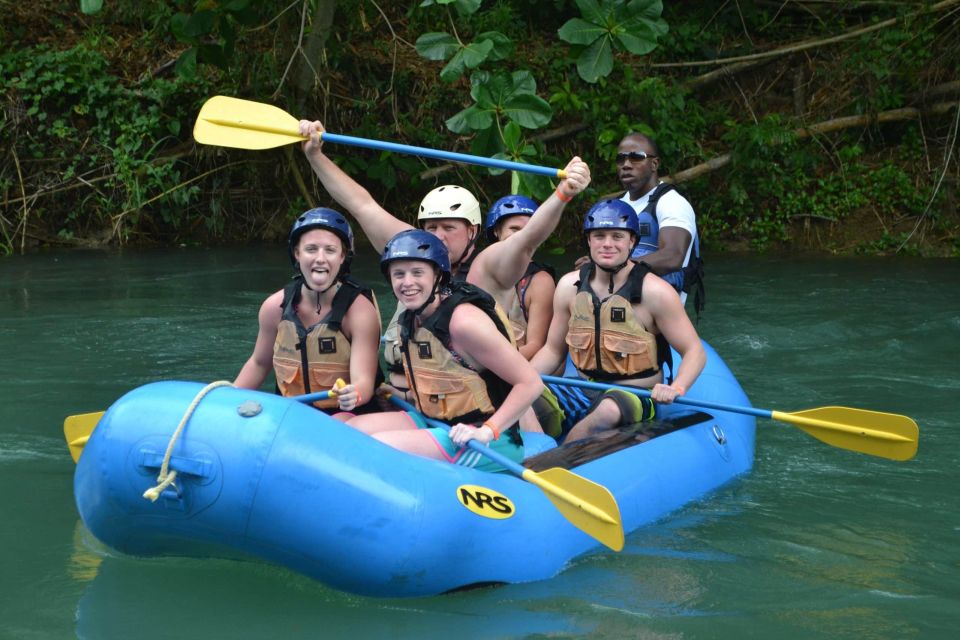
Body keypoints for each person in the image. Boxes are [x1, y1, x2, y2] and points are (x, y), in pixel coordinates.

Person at [297, 119, 589, 429]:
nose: (439, 237)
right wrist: (315, 155)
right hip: (409, 402)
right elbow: (362, 204)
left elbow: (526, 240)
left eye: (449, 228)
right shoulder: (411, 252)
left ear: (472, 231)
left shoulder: (486, 269)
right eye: (432, 228)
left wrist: (563, 193)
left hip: (480, 412)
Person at [345, 230, 544, 471]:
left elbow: (531, 383)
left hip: (486, 438)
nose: (407, 283)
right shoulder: (409, 318)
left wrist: (487, 431)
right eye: (398, 274)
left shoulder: (464, 323)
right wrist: (402, 396)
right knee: (349, 431)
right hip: (435, 422)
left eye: (417, 273)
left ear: (438, 275)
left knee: (379, 447)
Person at [531, 199, 706, 442]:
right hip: (584, 387)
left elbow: (694, 350)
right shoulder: (568, 287)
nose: (607, 244)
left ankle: (559, 463)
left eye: (617, 236)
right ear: (589, 241)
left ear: (632, 241)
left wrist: (676, 387)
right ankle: (536, 453)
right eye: (599, 236)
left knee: (607, 411)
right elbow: (552, 351)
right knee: (526, 399)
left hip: (633, 393)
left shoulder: (655, 292)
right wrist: (523, 380)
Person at [233, 208, 382, 418]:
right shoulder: (274, 307)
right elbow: (259, 363)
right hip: (291, 413)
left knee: (340, 421)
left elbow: (364, 382)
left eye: (330, 250)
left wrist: (353, 394)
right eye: (311, 249)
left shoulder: (359, 312)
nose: (320, 258)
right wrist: (227, 399)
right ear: (297, 253)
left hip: (345, 415)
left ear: (342, 256)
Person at [615, 133, 704, 313]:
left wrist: (611, 266)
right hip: (619, 299)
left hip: (658, 310)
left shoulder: (672, 203)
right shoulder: (616, 207)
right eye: (621, 159)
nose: (626, 164)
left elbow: (673, 256)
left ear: (654, 164)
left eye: (636, 157)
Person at [482, 195, 557, 360]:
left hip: (517, 366)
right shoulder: (480, 271)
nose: (522, 237)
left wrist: (491, 366)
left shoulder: (540, 281)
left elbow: (536, 346)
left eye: (528, 230)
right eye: (514, 229)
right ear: (496, 231)